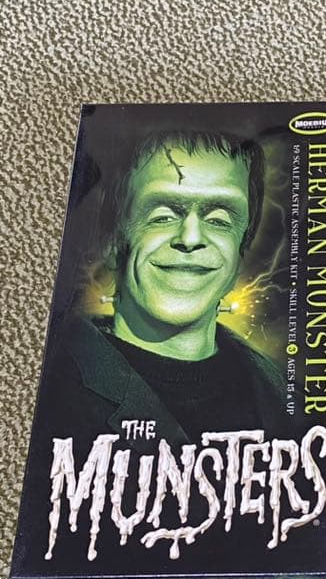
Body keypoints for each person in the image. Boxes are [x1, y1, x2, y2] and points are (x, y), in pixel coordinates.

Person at [42, 129, 285, 451]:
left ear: (243, 248)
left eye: (219, 219)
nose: (190, 238)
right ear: (114, 239)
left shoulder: (283, 397)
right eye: (162, 216)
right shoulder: (56, 382)